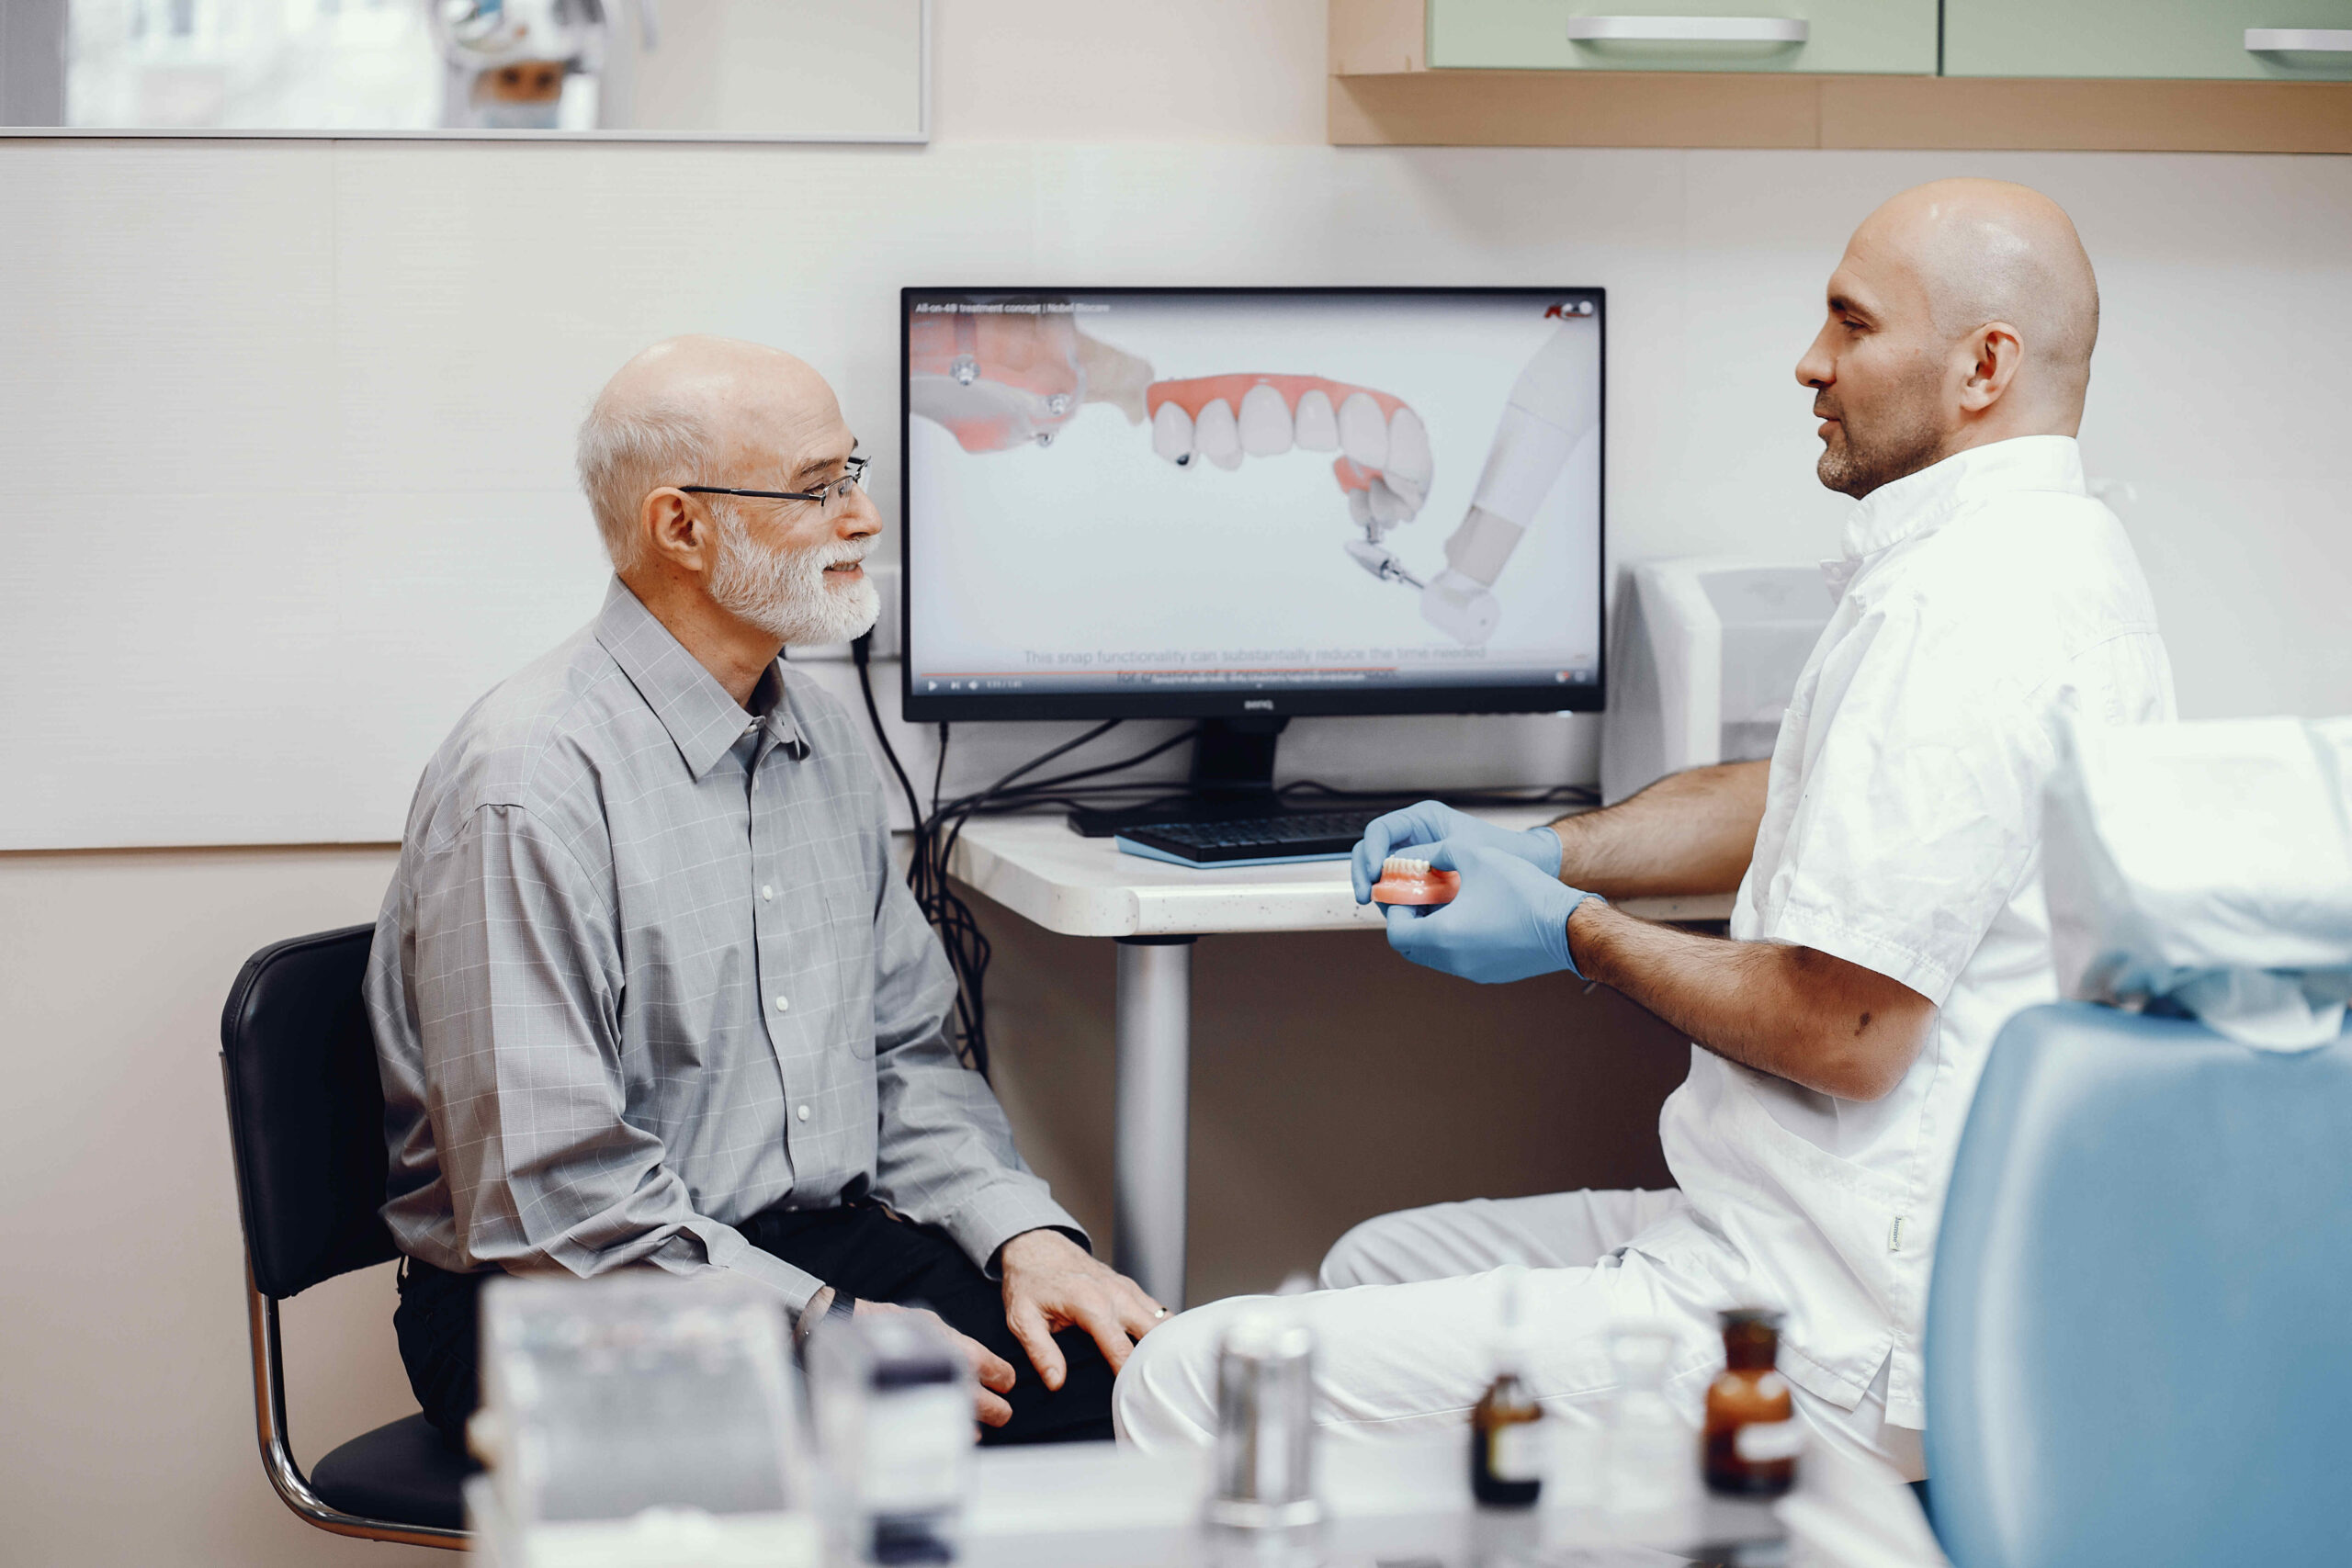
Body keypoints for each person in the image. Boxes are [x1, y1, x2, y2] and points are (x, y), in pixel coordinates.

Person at [1113, 180, 2176, 1482]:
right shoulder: (2027, 550)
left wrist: (1576, 934)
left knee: (1190, 1380)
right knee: (1366, 1266)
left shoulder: (1972, 609)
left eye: (1851, 324)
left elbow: (1844, 1026)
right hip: (1785, 1226)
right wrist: (1551, 850)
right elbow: (1797, 791)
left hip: (1831, 1324)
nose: (1811, 360)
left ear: (1982, 367)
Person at [367, 335, 1162, 1450]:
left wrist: (1023, 1236)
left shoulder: (824, 744)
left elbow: (904, 1060)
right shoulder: (529, 784)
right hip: (558, 1299)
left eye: (855, 474)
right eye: (814, 489)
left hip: (802, 1250)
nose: (864, 519)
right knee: (910, 1450)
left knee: (1133, 1397)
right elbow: (553, 1203)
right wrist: (824, 1326)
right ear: (681, 528)